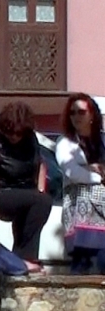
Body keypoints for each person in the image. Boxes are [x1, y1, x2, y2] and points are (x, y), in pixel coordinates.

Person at [0, 102, 52, 273]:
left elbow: (40, 165)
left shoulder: (31, 141)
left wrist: (40, 190)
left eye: (18, 133)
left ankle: (17, 262)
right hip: (3, 196)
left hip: (26, 195)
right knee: (42, 201)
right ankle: (25, 259)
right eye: (9, 132)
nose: (13, 137)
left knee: (37, 205)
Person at [55, 93, 105, 274]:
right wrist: (97, 177)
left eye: (81, 112)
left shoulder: (102, 141)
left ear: (92, 114)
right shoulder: (65, 143)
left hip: (102, 208)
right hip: (81, 209)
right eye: (72, 112)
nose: (76, 116)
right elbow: (71, 171)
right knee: (81, 261)